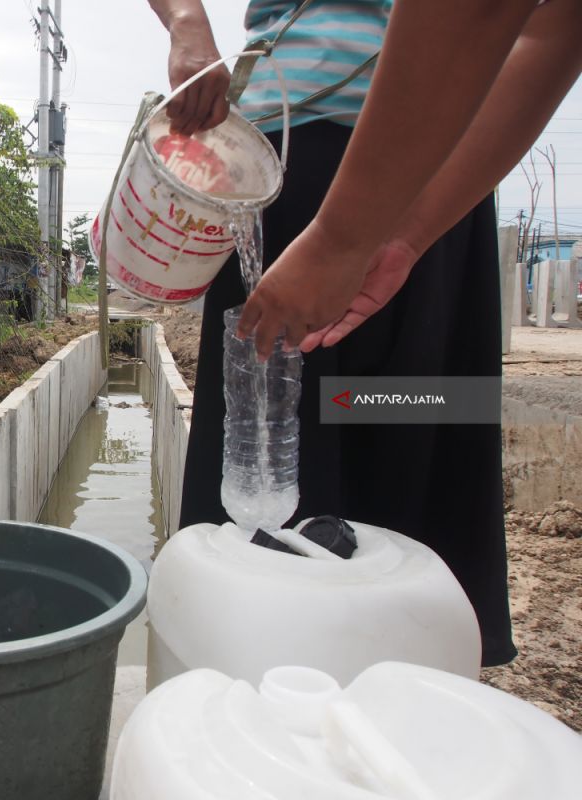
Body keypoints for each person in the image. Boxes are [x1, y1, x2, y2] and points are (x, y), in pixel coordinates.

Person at [152, 0, 581, 667]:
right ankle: (265, 707)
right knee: (275, 482)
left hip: (444, 178)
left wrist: (386, 237)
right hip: (290, 163)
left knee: (415, 426)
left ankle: (399, 694)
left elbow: (536, 24)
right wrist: (186, 19)